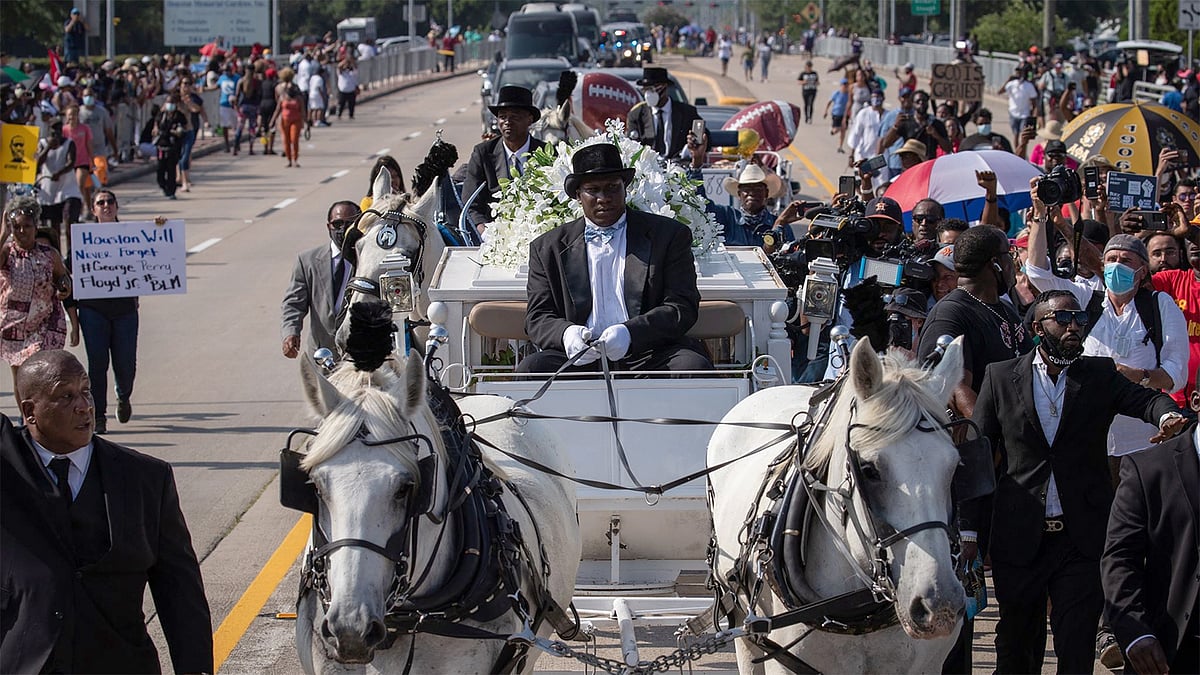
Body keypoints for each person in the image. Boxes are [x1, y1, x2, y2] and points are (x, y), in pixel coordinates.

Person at [971, 289, 1186, 674]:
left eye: (1081, 320)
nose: (1074, 326)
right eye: (1064, 319)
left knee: (1076, 644)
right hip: (1019, 536)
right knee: (1016, 645)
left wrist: (1167, 416)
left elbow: (1146, 400)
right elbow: (979, 456)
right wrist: (971, 532)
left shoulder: (1100, 374)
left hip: (1081, 538)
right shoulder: (1001, 376)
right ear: (1037, 327)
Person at [0, 351, 213, 673]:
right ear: (30, 412)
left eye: (86, 391)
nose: (84, 406)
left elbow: (180, 594)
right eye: (65, 396)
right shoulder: (6, 466)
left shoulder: (146, 479)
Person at [517, 143, 712, 374]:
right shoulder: (547, 247)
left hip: (650, 354)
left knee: (692, 367)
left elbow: (682, 306)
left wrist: (631, 333)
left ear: (625, 188)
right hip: (578, 358)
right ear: (578, 196)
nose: (604, 198)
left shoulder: (668, 236)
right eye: (593, 190)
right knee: (532, 369)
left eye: (612, 188)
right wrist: (567, 334)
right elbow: (538, 317)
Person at [1101, 380, 1199, 675]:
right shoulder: (1148, 471)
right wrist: (1136, 633)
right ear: (1195, 401)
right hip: (1171, 653)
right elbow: (1119, 560)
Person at [72, 189, 145, 433]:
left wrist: (160, 227)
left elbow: (153, 255)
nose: (106, 206)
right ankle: (98, 415)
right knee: (97, 364)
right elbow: (68, 267)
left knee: (126, 364)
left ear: (116, 206)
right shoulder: (84, 238)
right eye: (100, 202)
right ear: (93, 209)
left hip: (124, 309)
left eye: (110, 201)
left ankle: (123, 395)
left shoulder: (131, 236)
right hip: (94, 310)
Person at [0, 198, 71, 406]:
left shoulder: (49, 254)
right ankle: (27, 418)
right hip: (14, 326)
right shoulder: (7, 252)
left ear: (36, 227)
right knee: (21, 377)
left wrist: (64, 286)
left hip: (44, 324)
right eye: (17, 227)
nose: (22, 231)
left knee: (41, 372)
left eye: (27, 226)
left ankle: (43, 415)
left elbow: (62, 276)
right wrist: (3, 232)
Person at [282, 201, 362, 359]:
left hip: (360, 356)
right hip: (323, 356)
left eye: (349, 223)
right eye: (337, 224)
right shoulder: (307, 261)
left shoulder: (367, 259)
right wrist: (291, 332)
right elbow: (294, 303)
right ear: (328, 226)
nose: (342, 229)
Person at [462, 85, 547, 230]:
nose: (507, 122)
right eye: (502, 117)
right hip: (494, 233)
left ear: (529, 120)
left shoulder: (546, 154)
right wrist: (484, 232)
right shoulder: (483, 153)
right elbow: (471, 204)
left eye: (515, 116)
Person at [690, 160, 803, 252]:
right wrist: (696, 165)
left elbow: (790, 257)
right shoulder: (727, 217)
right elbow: (700, 203)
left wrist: (779, 225)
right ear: (739, 194)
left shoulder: (781, 226)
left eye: (758, 189)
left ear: (766, 194)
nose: (752, 192)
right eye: (746, 189)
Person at [626, 66, 703, 161]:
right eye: (646, 89)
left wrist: (693, 142)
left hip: (678, 165)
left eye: (652, 89)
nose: (648, 94)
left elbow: (703, 136)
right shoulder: (636, 114)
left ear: (665, 87)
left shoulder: (686, 112)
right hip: (649, 167)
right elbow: (631, 143)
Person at [34, 120, 83, 249]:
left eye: (59, 129)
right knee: (53, 227)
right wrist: (48, 147)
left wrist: (59, 173)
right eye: (53, 129)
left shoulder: (69, 143)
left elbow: (71, 162)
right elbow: (37, 163)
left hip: (68, 189)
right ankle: (57, 255)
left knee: (69, 221)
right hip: (49, 191)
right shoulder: (43, 143)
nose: (56, 133)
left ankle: (71, 254)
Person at [152, 92, 190, 200]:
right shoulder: (161, 115)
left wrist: (177, 132)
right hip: (161, 145)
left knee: (171, 169)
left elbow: (183, 128)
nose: (170, 105)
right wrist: (155, 131)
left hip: (173, 146)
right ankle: (163, 186)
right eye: (168, 102)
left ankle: (171, 191)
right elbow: (155, 126)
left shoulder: (179, 116)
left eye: (172, 103)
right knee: (160, 169)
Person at [270, 69, 307, 168]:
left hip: (296, 119)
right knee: (285, 140)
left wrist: (306, 120)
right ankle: (289, 159)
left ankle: (295, 159)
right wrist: (273, 120)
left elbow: (302, 107)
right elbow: (278, 108)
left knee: (294, 139)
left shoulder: (297, 96)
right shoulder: (281, 93)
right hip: (284, 119)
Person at [61, 105, 93, 215]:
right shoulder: (63, 130)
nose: (71, 117)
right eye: (69, 115)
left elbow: (89, 145)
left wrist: (91, 160)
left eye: (74, 114)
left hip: (82, 161)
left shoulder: (84, 128)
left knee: (80, 184)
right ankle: (77, 209)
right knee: (71, 187)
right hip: (69, 163)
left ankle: (81, 210)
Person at [234, 63, 261, 156]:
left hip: (243, 106)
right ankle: (251, 148)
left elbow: (237, 95)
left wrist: (236, 106)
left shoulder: (241, 81)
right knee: (252, 128)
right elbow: (259, 95)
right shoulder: (256, 82)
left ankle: (235, 147)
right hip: (253, 106)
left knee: (240, 127)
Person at [824, 78, 850, 154]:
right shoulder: (837, 93)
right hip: (836, 114)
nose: (845, 86)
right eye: (843, 85)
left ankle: (840, 146)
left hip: (845, 114)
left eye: (846, 85)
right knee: (837, 129)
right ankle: (832, 131)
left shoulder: (848, 95)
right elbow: (829, 102)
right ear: (841, 85)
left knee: (843, 130)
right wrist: (826, 111)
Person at [336, 55, 359, 120]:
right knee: (341, 104)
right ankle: (339, 115)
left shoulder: (352, 72)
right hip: (342, 91)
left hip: (351, 91)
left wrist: (351, 61)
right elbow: (339, 66)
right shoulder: (341, 73)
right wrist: (345, 61)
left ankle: (351, 115)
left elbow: (355, 67)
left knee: (351, 104)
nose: (347, 66)